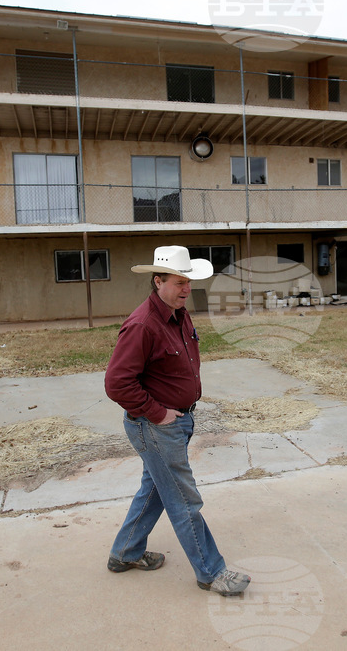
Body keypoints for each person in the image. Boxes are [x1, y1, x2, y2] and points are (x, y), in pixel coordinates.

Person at [104, 245, 251, 596]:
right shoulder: (142, 325)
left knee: (155, 489)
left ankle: (125, 553)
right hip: (156, 426)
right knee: (183, 499)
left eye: (190, 281)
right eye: (179, 281)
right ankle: (211, 572)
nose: (186, 288)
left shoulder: (179, 313)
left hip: (177, 422)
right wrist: (158, 413)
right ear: (158, 282)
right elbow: (116, 383)